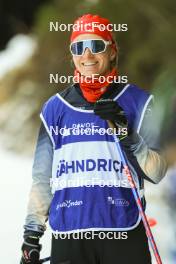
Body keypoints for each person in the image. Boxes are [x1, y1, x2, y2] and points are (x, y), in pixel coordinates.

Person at [20, 14, 167, 264]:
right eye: (78, 47)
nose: (87, 55)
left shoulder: (140, 102)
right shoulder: (55, 108)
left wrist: (126, 133)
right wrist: (32, 235)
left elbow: (157, 171)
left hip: (124, 233)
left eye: (96, 46)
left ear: (112, 51)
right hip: (70, 235)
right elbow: (42, 178)